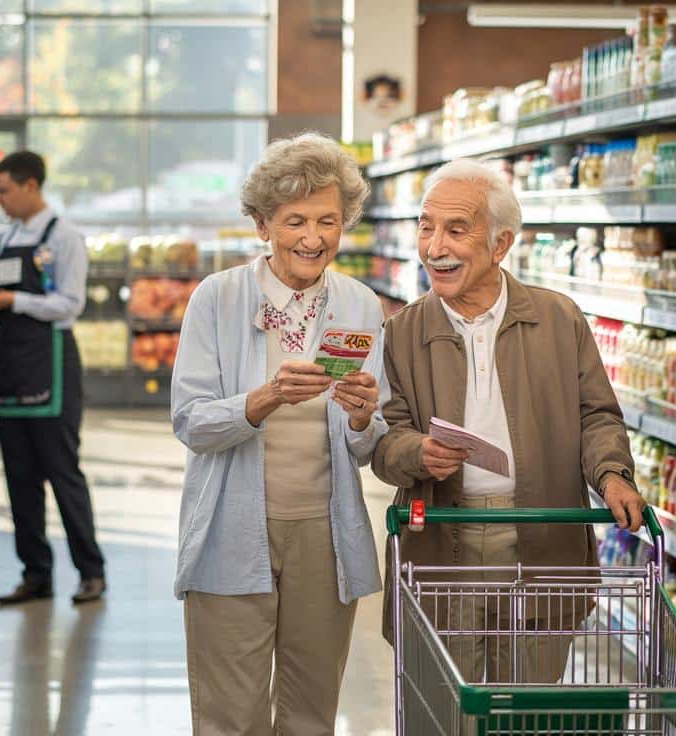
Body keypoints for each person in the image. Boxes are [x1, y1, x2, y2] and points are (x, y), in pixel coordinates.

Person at [371, 158, 644, 684]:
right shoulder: (401, 332)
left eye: (456, 229)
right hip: (442, 541)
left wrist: (612, 475)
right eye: (426, 227)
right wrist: (415, 452)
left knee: (525, 703)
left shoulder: (558, 320)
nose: (434, 247)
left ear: (500, 246)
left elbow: (597, 416)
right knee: (448, 705)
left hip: (541, 540)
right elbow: (385, 440)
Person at [171, 132, 387, 735]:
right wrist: (264, 398)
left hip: (324, 534)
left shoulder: (361, 304)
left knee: (312, 711)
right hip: (231, 529)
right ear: (263, 225)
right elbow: (191, 420)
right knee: (230, 714)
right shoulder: (218, 299)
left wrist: (366, 415)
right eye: (295, 221)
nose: (314, 238)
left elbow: (367, 443)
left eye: (328, 220)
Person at [0, 151, 106, 606]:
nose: (0, 200)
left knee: (62, 471)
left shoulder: (65, 237)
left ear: (31, 185)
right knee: (18, 478)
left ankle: (91, 572)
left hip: (50, 366)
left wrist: (12, 301)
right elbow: (3, 293)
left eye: (4, 190)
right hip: (11, 366)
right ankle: (35, 573)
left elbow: (69, 304)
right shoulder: (6, 234)